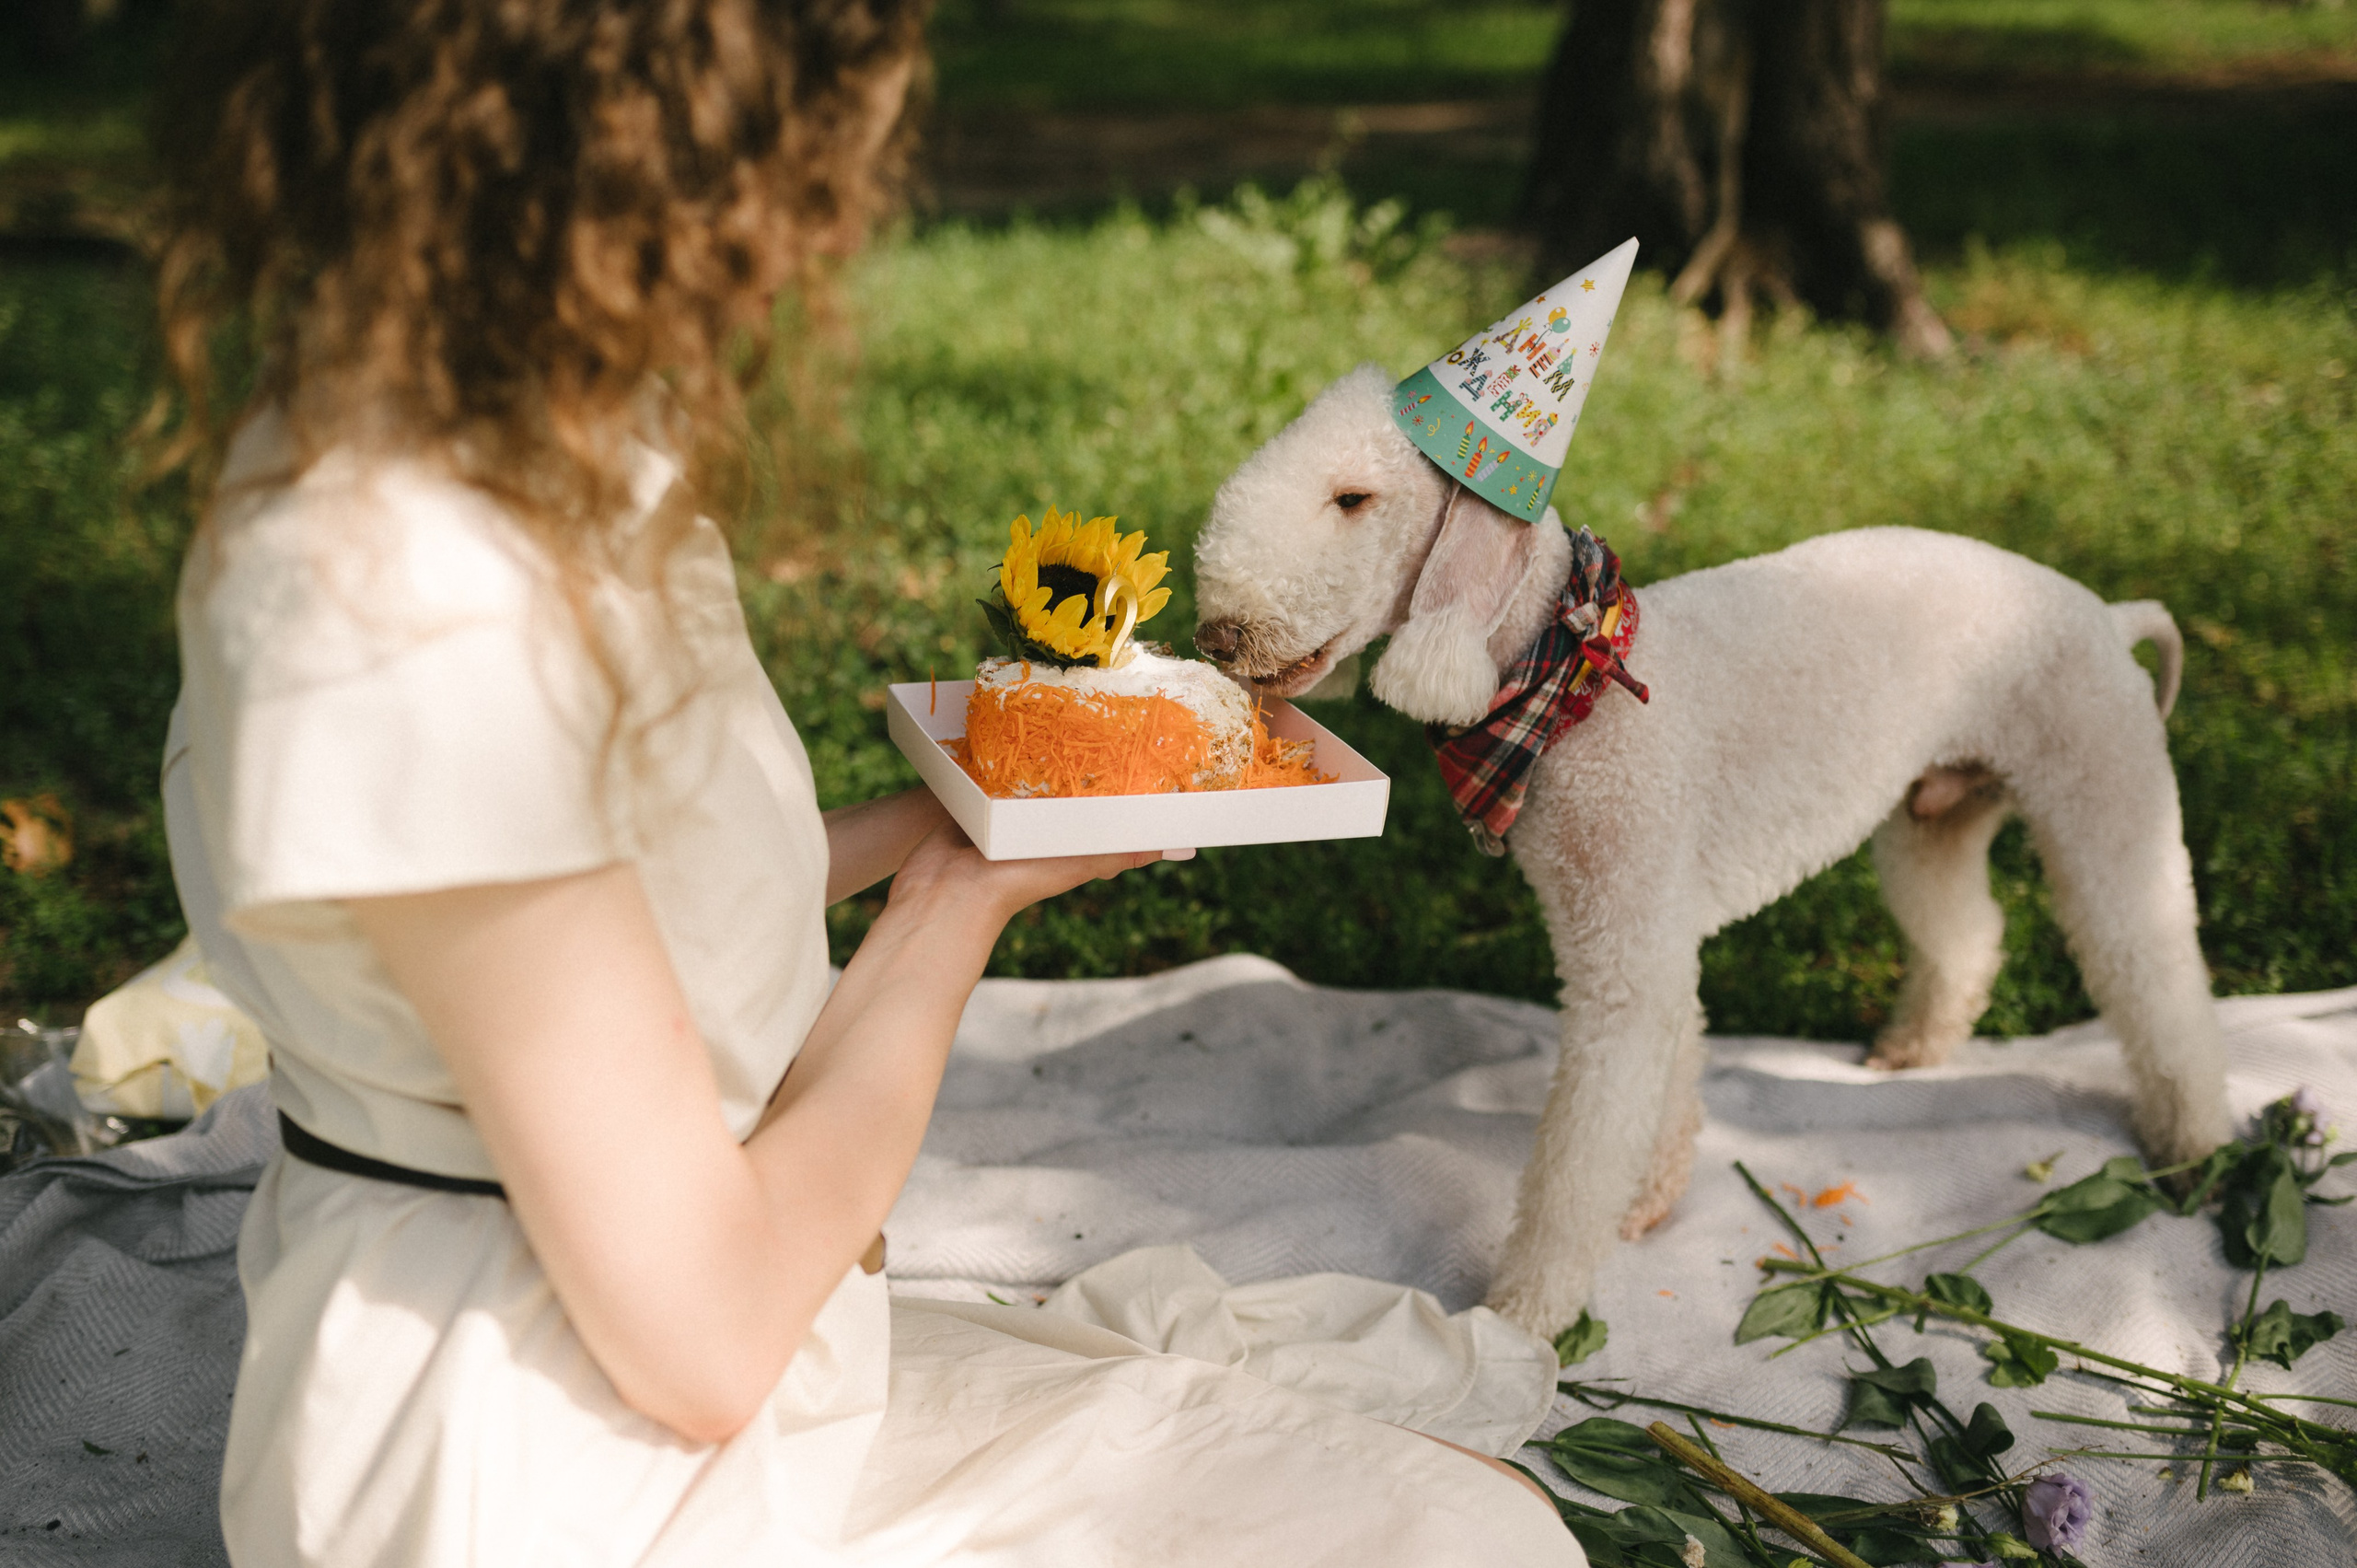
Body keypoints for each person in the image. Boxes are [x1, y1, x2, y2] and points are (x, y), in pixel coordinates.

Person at [151, 3, 1583, 1564]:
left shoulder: (512, 458)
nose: (824, 229)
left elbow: (633, 907)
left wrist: (991, 810)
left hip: (697, 1350)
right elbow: (698, 1339)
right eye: (805, 159)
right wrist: (950, 910)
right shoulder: (415, 606)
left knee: (1469, 1509)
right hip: (550, 1466)